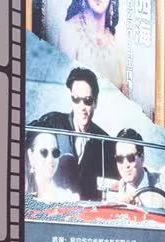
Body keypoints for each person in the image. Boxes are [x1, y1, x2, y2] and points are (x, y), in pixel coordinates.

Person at [32, 67, 109, 200]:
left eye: (87, 100)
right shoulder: (52, 123)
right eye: (76, 99)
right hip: (52, 205)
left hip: (86, 209)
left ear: (95, 102)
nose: (82, 107)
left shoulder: (104, 142)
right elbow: (24, 141)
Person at [107, 129, 165, 209]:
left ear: (142, 158)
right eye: (119, 159)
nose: (125, 165)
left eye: (131, 158)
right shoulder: (111, 194)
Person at [24, 128, 82, 202]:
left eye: (55, 152)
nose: (50, 159)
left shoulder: (67, 198)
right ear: (30, 156)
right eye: (44, 152)